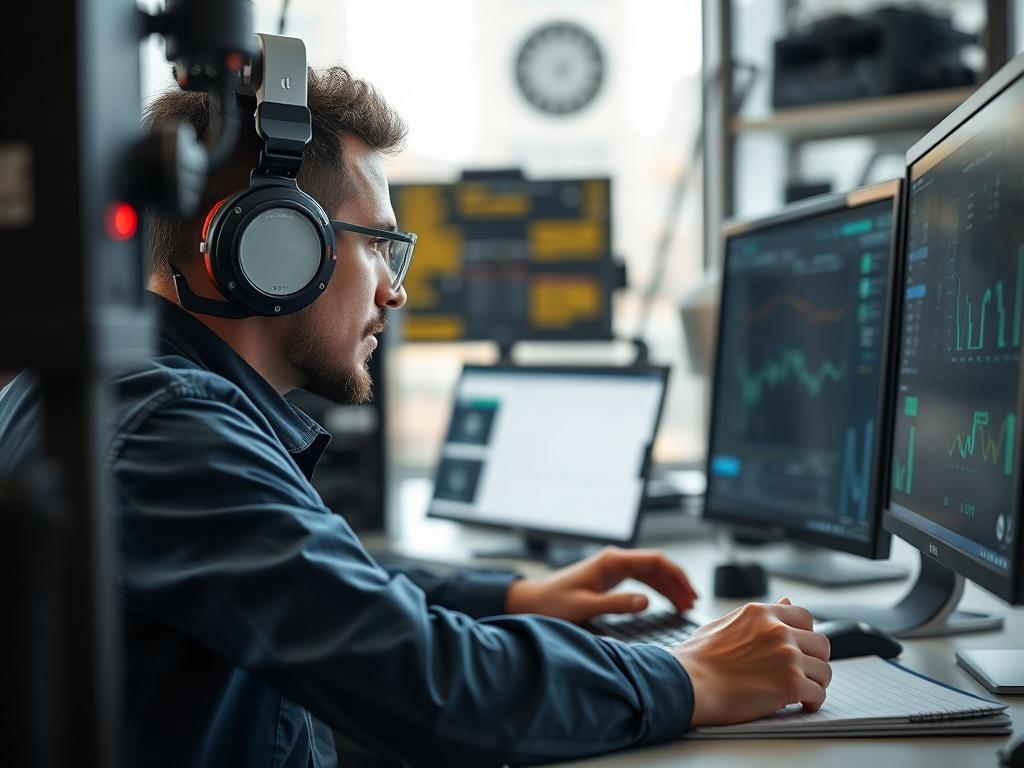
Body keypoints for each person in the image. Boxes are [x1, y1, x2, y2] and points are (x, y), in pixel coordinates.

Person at [0, 66, 831, 767]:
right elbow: (424, 683)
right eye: (380, 246)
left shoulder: (130, 391)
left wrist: (515, 594)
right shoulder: (169, 425)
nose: (395, 290)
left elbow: (318, 584)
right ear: (274, 246)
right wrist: (692, 678)